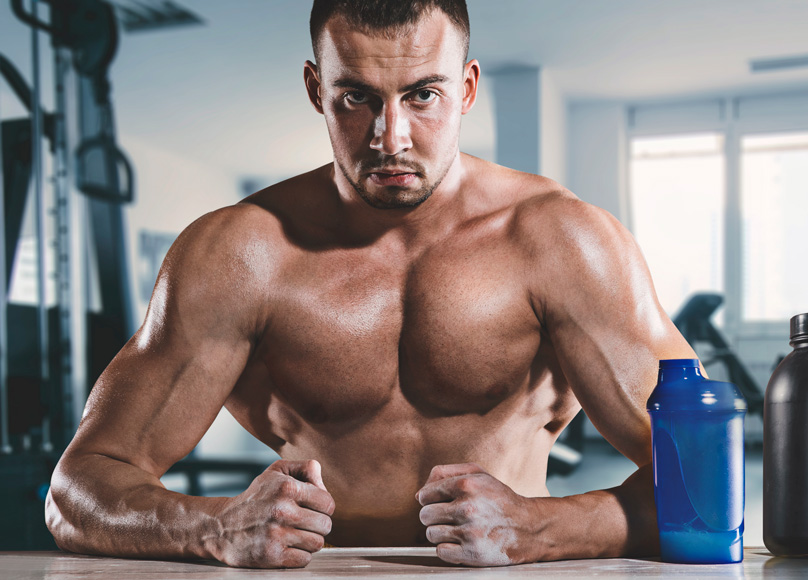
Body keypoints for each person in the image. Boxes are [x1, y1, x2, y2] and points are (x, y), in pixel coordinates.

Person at [45, 0, 698, 568]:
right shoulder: (239, 256)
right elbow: (78, 490)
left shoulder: (562, 244)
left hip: (512, 574)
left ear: (467, 89)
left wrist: (544, 528)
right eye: (357, 97)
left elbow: (704, 474)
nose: (392, 137)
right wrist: (213, 528)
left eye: (423, 95)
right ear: (314, 87)